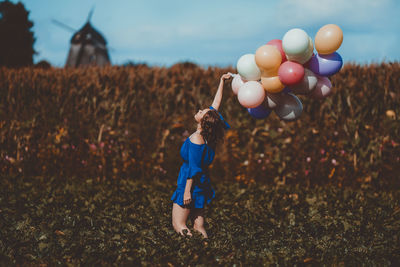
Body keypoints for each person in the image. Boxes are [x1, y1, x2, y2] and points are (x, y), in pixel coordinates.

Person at [171, 73, 232, 238]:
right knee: (199, 225)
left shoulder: (197, 139)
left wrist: (186, 192)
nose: (199, 110)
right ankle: (206, 250)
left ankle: (193, 253)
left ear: (203, 121)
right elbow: (216, 105)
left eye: (201, 111)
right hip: (202, 182)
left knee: (179, 224)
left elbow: (193, 167)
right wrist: (221, 82)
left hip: (190, 183)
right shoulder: (208, 135)